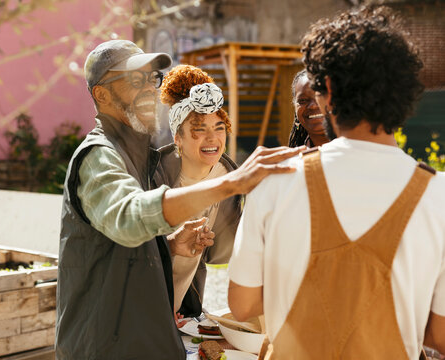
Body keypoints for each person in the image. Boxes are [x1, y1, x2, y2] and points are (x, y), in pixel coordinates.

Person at [55, 40, 303, 359]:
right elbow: (129, 218)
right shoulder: (99, 157)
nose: (148, 89)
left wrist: (168, 247)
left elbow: (118, 251)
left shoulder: (137, 157)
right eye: (134, 80)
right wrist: (231, 183)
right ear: (101, 95)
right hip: (103, 349)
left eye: (150, 78)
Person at [228, 7, 445, 359]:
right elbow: (440, 335)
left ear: (326, 91)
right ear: (406, 95)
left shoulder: (275, 181)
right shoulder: (439, 196)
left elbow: (242, 304)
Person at [153, 64, 242, 318]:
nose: (212, 139)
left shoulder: (227, 180)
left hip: (184, 312)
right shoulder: (151, 177)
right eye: (199, 129)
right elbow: (128, 255)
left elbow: (219, 254)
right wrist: (170, 245)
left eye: (219, 128)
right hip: (141, 311)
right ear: (177, 137)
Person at [288, 69, 329, 147]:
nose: (313, 106)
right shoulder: (295, 158)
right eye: (303, 100)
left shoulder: (356, 152)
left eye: (321, 96)